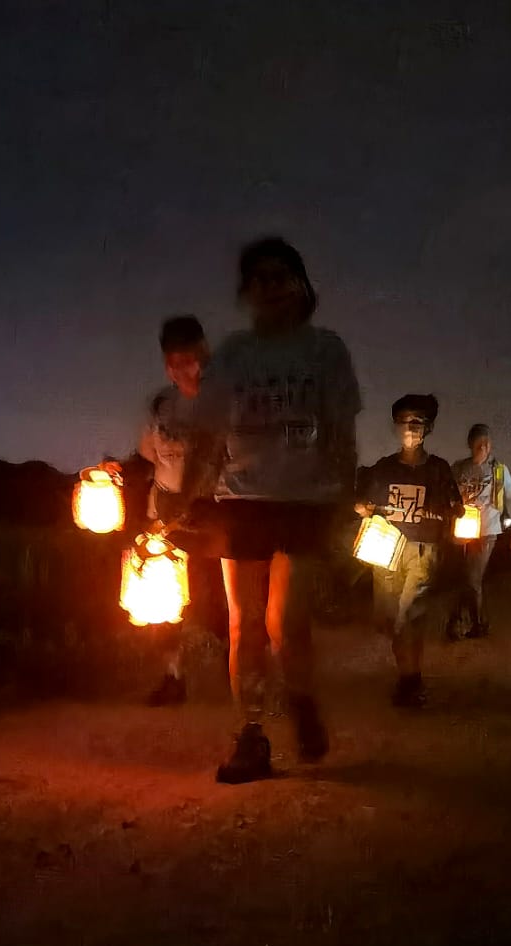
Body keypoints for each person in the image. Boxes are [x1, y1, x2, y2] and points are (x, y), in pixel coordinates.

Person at [184, 236, 362, 784]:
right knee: (243, 623)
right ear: (247, 291)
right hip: (242, 500)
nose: (272, 288)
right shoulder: (234, 355)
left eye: (281, 277)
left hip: (307, 500)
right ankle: (251, 733)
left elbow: (341, 432)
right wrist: (186, 496)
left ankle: (301, 696)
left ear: (300, 285)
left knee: (286, 621)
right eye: (260, 279)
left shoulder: (325, 350)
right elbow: (208, 434)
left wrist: (346, 497)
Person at [356, 395, 464, 706]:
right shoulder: (384, 468)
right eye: (405, 422)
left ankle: (412, 681)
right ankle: (407, 676)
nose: (411, 428)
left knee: (410, 616)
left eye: (417, 422)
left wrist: (445, 512)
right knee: (392, 620)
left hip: (422, 551)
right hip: (386, 550)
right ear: (396, 426)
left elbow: (457, 508)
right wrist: (363, 507)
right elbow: (363, 502)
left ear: (429, 428)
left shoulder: (438, 469)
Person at [137, 315, 213, 706]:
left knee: (213, 601)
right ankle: (173, 676)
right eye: (172, 361)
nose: (180, 369)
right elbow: (148, 455)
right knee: (164, 602)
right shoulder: (161, 407)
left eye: (188, 359)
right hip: (163, 517)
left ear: (204, 354)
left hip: (211, 516)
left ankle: (250, 675)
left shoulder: (223, 402)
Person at [447, 424, 511, 640]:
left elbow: (510, 498)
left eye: (487, 443)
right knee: (459, 578)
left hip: (486, 530)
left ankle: (475, 623)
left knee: (472, 578)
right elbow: (447, 493)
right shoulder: (459, 468)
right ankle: (459, 621)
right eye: (479, 443)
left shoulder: (498, 471)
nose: (484, 447)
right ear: (471, 444)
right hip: (461, 529)